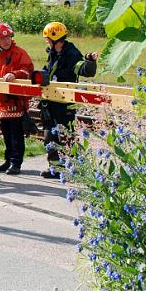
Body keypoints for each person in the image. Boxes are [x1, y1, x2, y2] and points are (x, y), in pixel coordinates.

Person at [39, 22, 98, 179]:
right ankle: (55, 168)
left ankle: (72, 168)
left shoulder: (71, 54)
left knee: (66, 136)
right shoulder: (53, 53)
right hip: (51, 102)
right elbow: (49, 70)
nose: (46, 42)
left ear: (55, 38)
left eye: (47, 39)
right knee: (49, 136)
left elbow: (84, 70)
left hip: (65, 104)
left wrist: (90, 62)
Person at [0, 23, 34, 175]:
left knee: (16, 134)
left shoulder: (20, 53)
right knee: (6, 132)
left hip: (15, 101)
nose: (6, 41)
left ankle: (16, 163)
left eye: (8, 37)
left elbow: (28, 70)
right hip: (0, 102)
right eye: (2, 38)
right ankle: (8, 160)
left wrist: (15, 74)